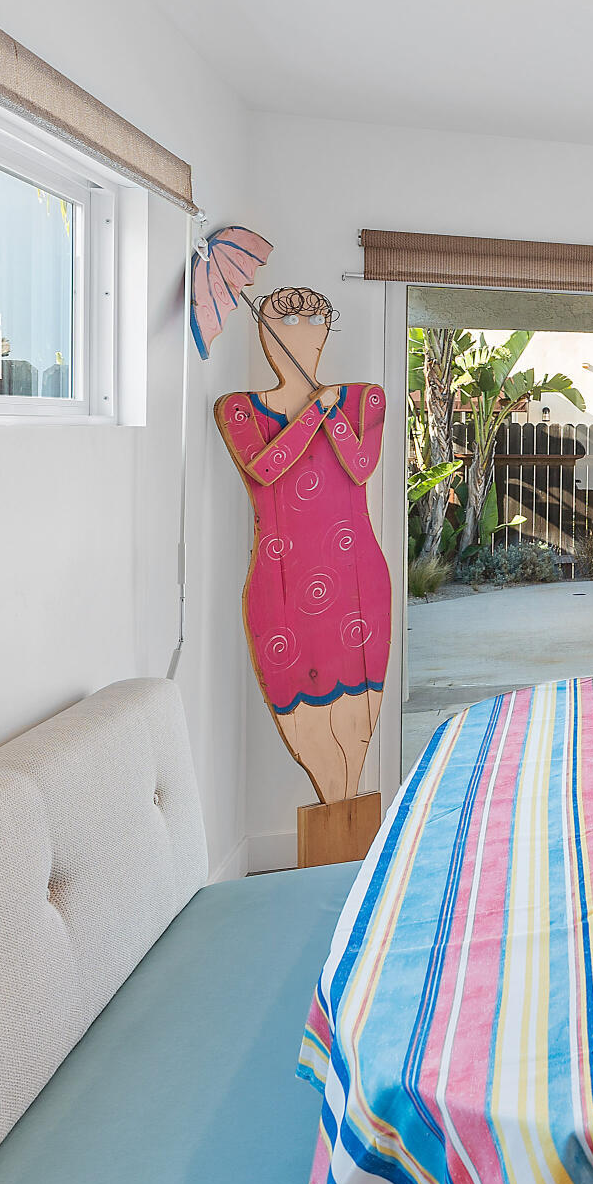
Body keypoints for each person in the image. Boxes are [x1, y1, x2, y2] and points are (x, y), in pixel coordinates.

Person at [217, 285, 390, 806]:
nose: (303, 331)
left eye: (315, 318)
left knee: (358, 717)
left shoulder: (364, 400)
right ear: (263, 330)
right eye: (285, 321)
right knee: (306, 720)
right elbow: (265, 469)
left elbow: (360, 468)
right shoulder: (240, 411)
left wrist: (330, 411)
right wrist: (314, 411)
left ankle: (351, 832)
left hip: (358, 574)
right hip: (282, 583)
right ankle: (335, 834)